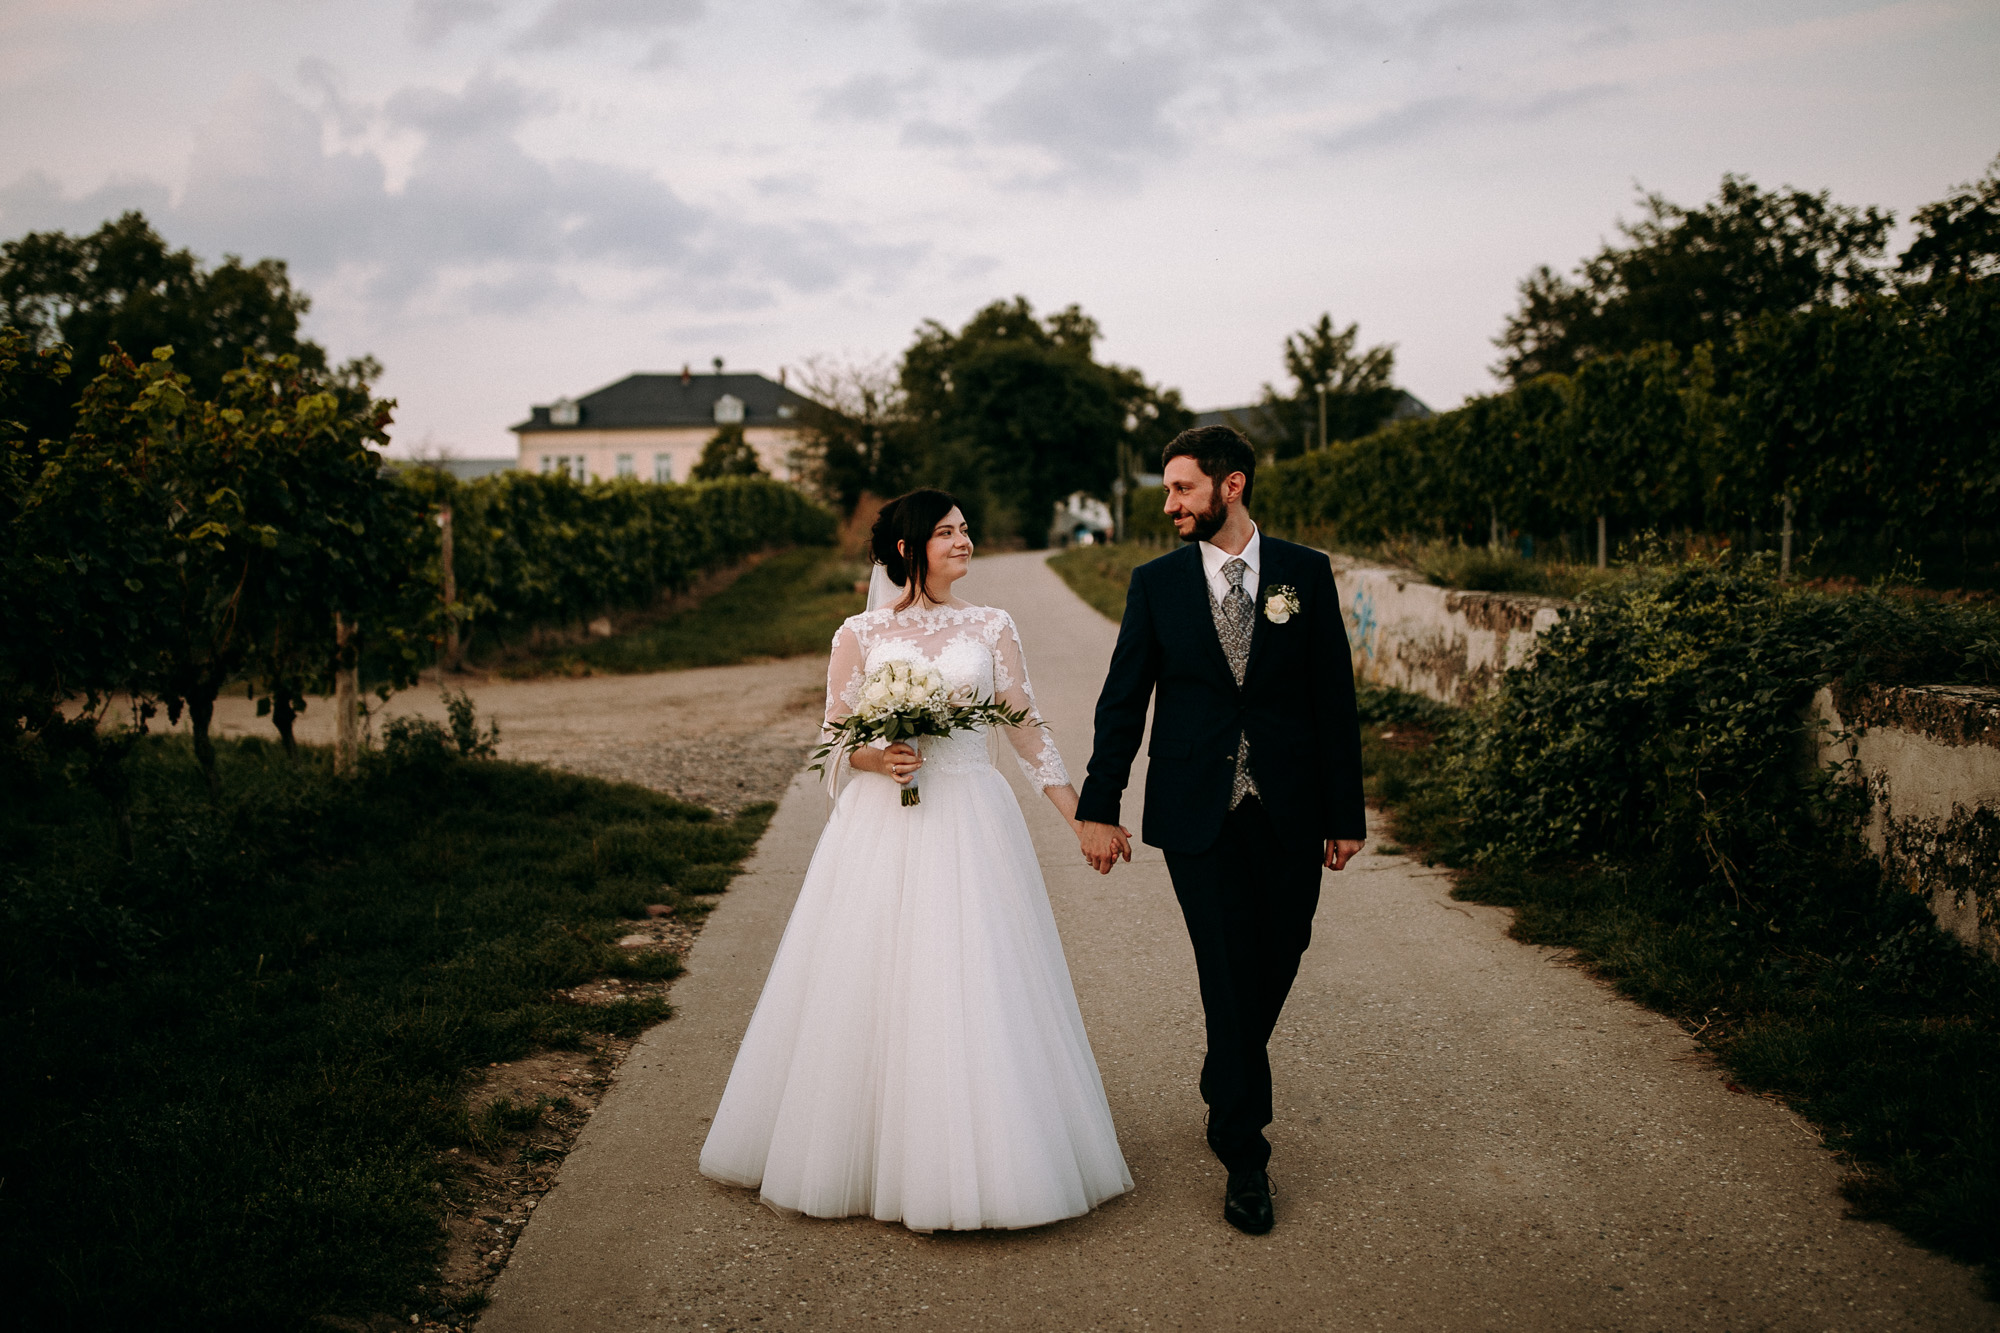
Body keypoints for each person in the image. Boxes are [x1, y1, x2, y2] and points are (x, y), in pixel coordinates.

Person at [698, 489, 1133, 1232]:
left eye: (965, 529)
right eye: (946, 532)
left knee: (975, 977)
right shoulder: (859, 633)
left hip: (972, 815)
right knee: (872, 977)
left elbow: (1027, 731)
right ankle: (868, 1146)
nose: (964, 541)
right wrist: (877, 757)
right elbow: (834, 735)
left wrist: (1082, 819)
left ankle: (990, 1152)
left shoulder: (992, 625)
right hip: (884, 826)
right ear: (907, 549)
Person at [1074, 425, 1366, 1236]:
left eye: (1182, 488)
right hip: (1195, 805)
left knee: (1284, 948)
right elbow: (1123, 700)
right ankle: (1244, 1153)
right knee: (1227, 966)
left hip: (1291, 802)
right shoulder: (1156, 584)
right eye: (1168, 490)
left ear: (1230, 486)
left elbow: (1333, 698)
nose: (1170, 503)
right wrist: (1100, 803)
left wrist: (1345, 812)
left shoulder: (1305, 572)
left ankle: (1225, 1064)